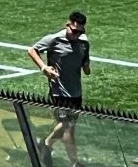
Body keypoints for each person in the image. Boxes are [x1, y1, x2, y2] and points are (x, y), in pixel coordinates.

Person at [27, 11, 91, 167]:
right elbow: (32, 50)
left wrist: (87, 66)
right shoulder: (54, 39)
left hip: (76, 93)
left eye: (80, 32)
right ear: (67, 25)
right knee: (69, 129)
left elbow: (85, 64)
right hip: (59, 92)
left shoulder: (83, 42)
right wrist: (44, 68)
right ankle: (75, 163)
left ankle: (46, 143)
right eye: (74, 31)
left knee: (66, 127)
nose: (76, 35)